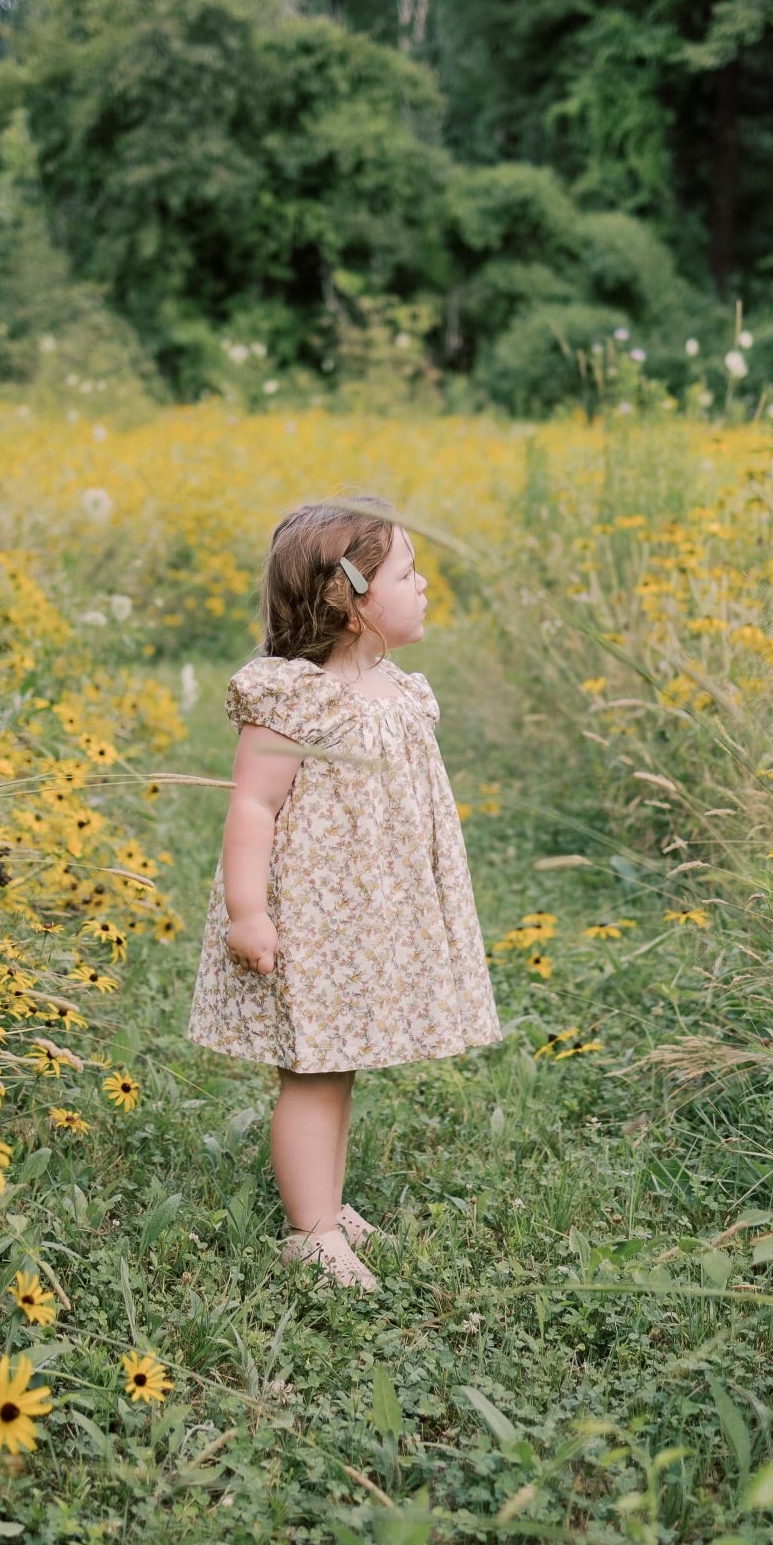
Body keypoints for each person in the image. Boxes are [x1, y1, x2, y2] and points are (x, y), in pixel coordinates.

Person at [188, 497, 501, 1289]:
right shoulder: (297, 700)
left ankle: (326, 1205)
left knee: (338, 1065)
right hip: (313, 921)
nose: (425, 585)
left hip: (369, 920)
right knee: (311, 1072)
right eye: (407, 572)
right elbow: (252, 805)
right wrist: (248, 913)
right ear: (349, 599)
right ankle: (309, 1233)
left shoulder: (399, 691)